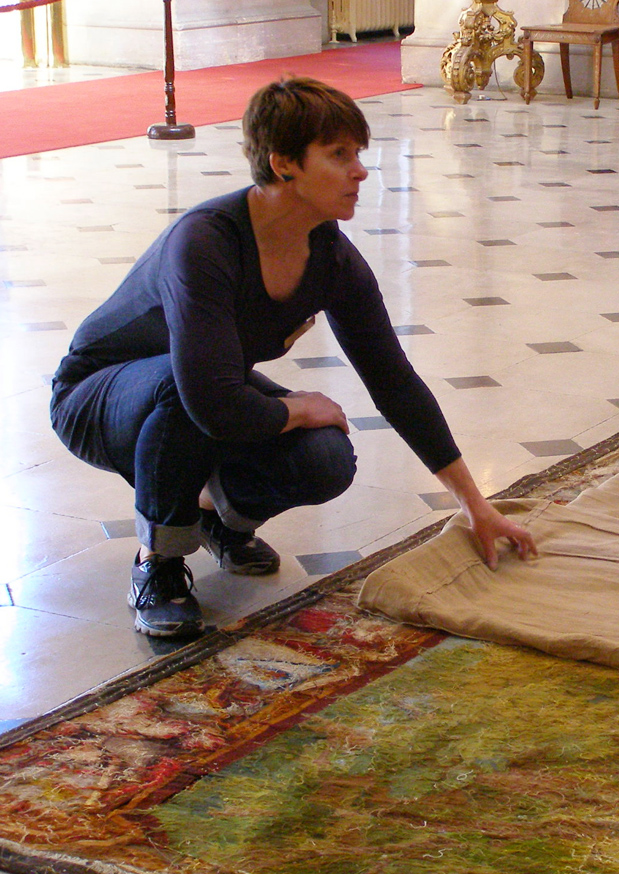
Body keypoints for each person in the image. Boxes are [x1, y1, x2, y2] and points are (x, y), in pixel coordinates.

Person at [50, 76, 537, 639]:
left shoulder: (331, 257)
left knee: (326, 457)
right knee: (190, 392)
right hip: (97, 399)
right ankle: (157, 562)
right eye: (339, 155)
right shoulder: (205, 241)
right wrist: (296, 408)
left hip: (198, 394)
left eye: (358, 154)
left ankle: (214, 516)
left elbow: (393, 381)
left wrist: (474, 504)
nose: (360, 171)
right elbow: (208, 400)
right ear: (283, 164)